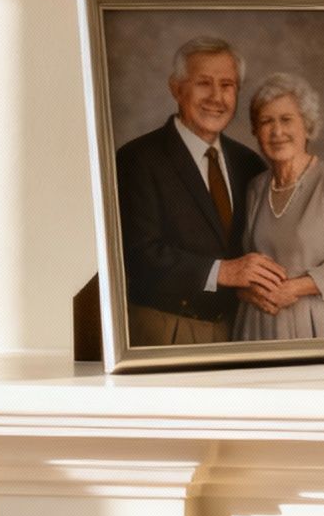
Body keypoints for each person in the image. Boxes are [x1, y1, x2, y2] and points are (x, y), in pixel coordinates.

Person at [115, 37, 281, 345]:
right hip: (167, 330)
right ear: (176, 88)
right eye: (204, 83)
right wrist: (224, 273)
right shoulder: (136, 159)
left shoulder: (249, 164)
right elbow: (137, 256)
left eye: (227, 85)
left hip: (240, 329)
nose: (217, 97)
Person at [231, 73, 324, 339]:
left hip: (323, 322)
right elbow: (247, 261)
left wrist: (292, 289)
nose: (277, 131)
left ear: (307, 126)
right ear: (256, 132)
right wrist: (246, 290)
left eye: (286, 120)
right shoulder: (256, 188)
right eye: (266, 122)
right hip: (263, 325)